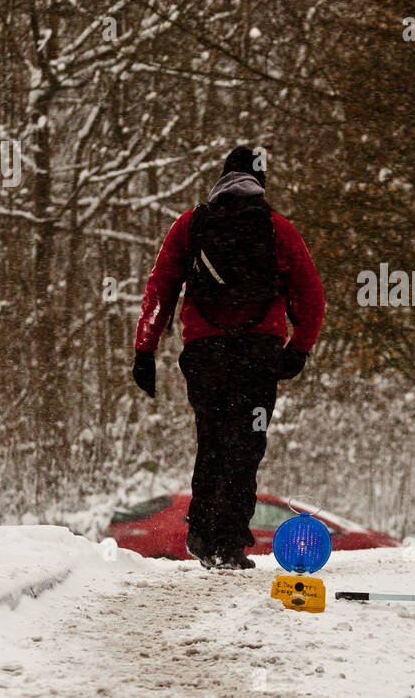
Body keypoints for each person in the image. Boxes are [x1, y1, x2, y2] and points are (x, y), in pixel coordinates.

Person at [132, 146, 325, 569]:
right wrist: (299, 348)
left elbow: (160, 288)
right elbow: (311, 296)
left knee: (212, 439)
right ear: (261, 182)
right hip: (259, 353)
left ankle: (201, 533)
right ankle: (230, 542)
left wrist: (145, 351)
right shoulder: (278, 229)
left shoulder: (190, 225)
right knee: (246, 444)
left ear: (222, 176)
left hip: (206, 352)